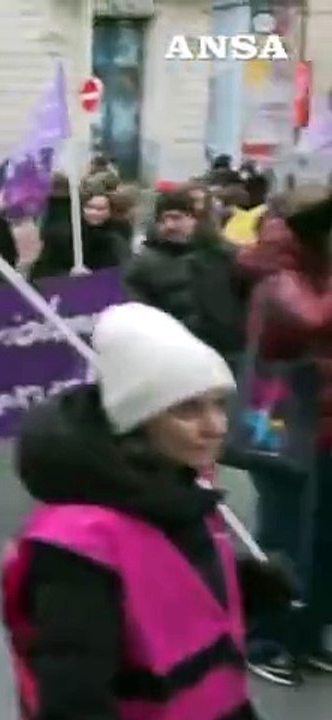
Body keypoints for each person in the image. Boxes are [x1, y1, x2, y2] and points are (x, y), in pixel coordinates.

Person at [1, 302, 295, 720]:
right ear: (139, 420)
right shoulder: (76, 547)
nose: (216, 426)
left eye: (218, 404)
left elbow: (161, 598)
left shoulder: (176, 487)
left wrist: (244, 586)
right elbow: (72, 696)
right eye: (188, 409)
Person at [234, 188, 332, 683]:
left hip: (322, 428)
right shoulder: (278, 276)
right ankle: (265, 638)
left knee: (322, 542)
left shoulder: (316, 268)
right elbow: (313, 319)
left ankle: (307, 634)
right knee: (282, 537)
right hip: (280, 430)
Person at [122, 188, 248, 360]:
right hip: (174, 358)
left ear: (195, 219)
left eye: (177, 217)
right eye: (163, 219)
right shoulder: (142, 266)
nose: (170, 225)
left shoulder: (224, 256)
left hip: (227, 354)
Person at [30, 189, 127, 279]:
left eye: (100, 209)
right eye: (89, 207)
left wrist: (94, 277)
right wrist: (67, 275)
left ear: (109, 212)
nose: (94, 213)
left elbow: (122, 272)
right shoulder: (62, 235)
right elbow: (43, 270)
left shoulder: (116, 239)